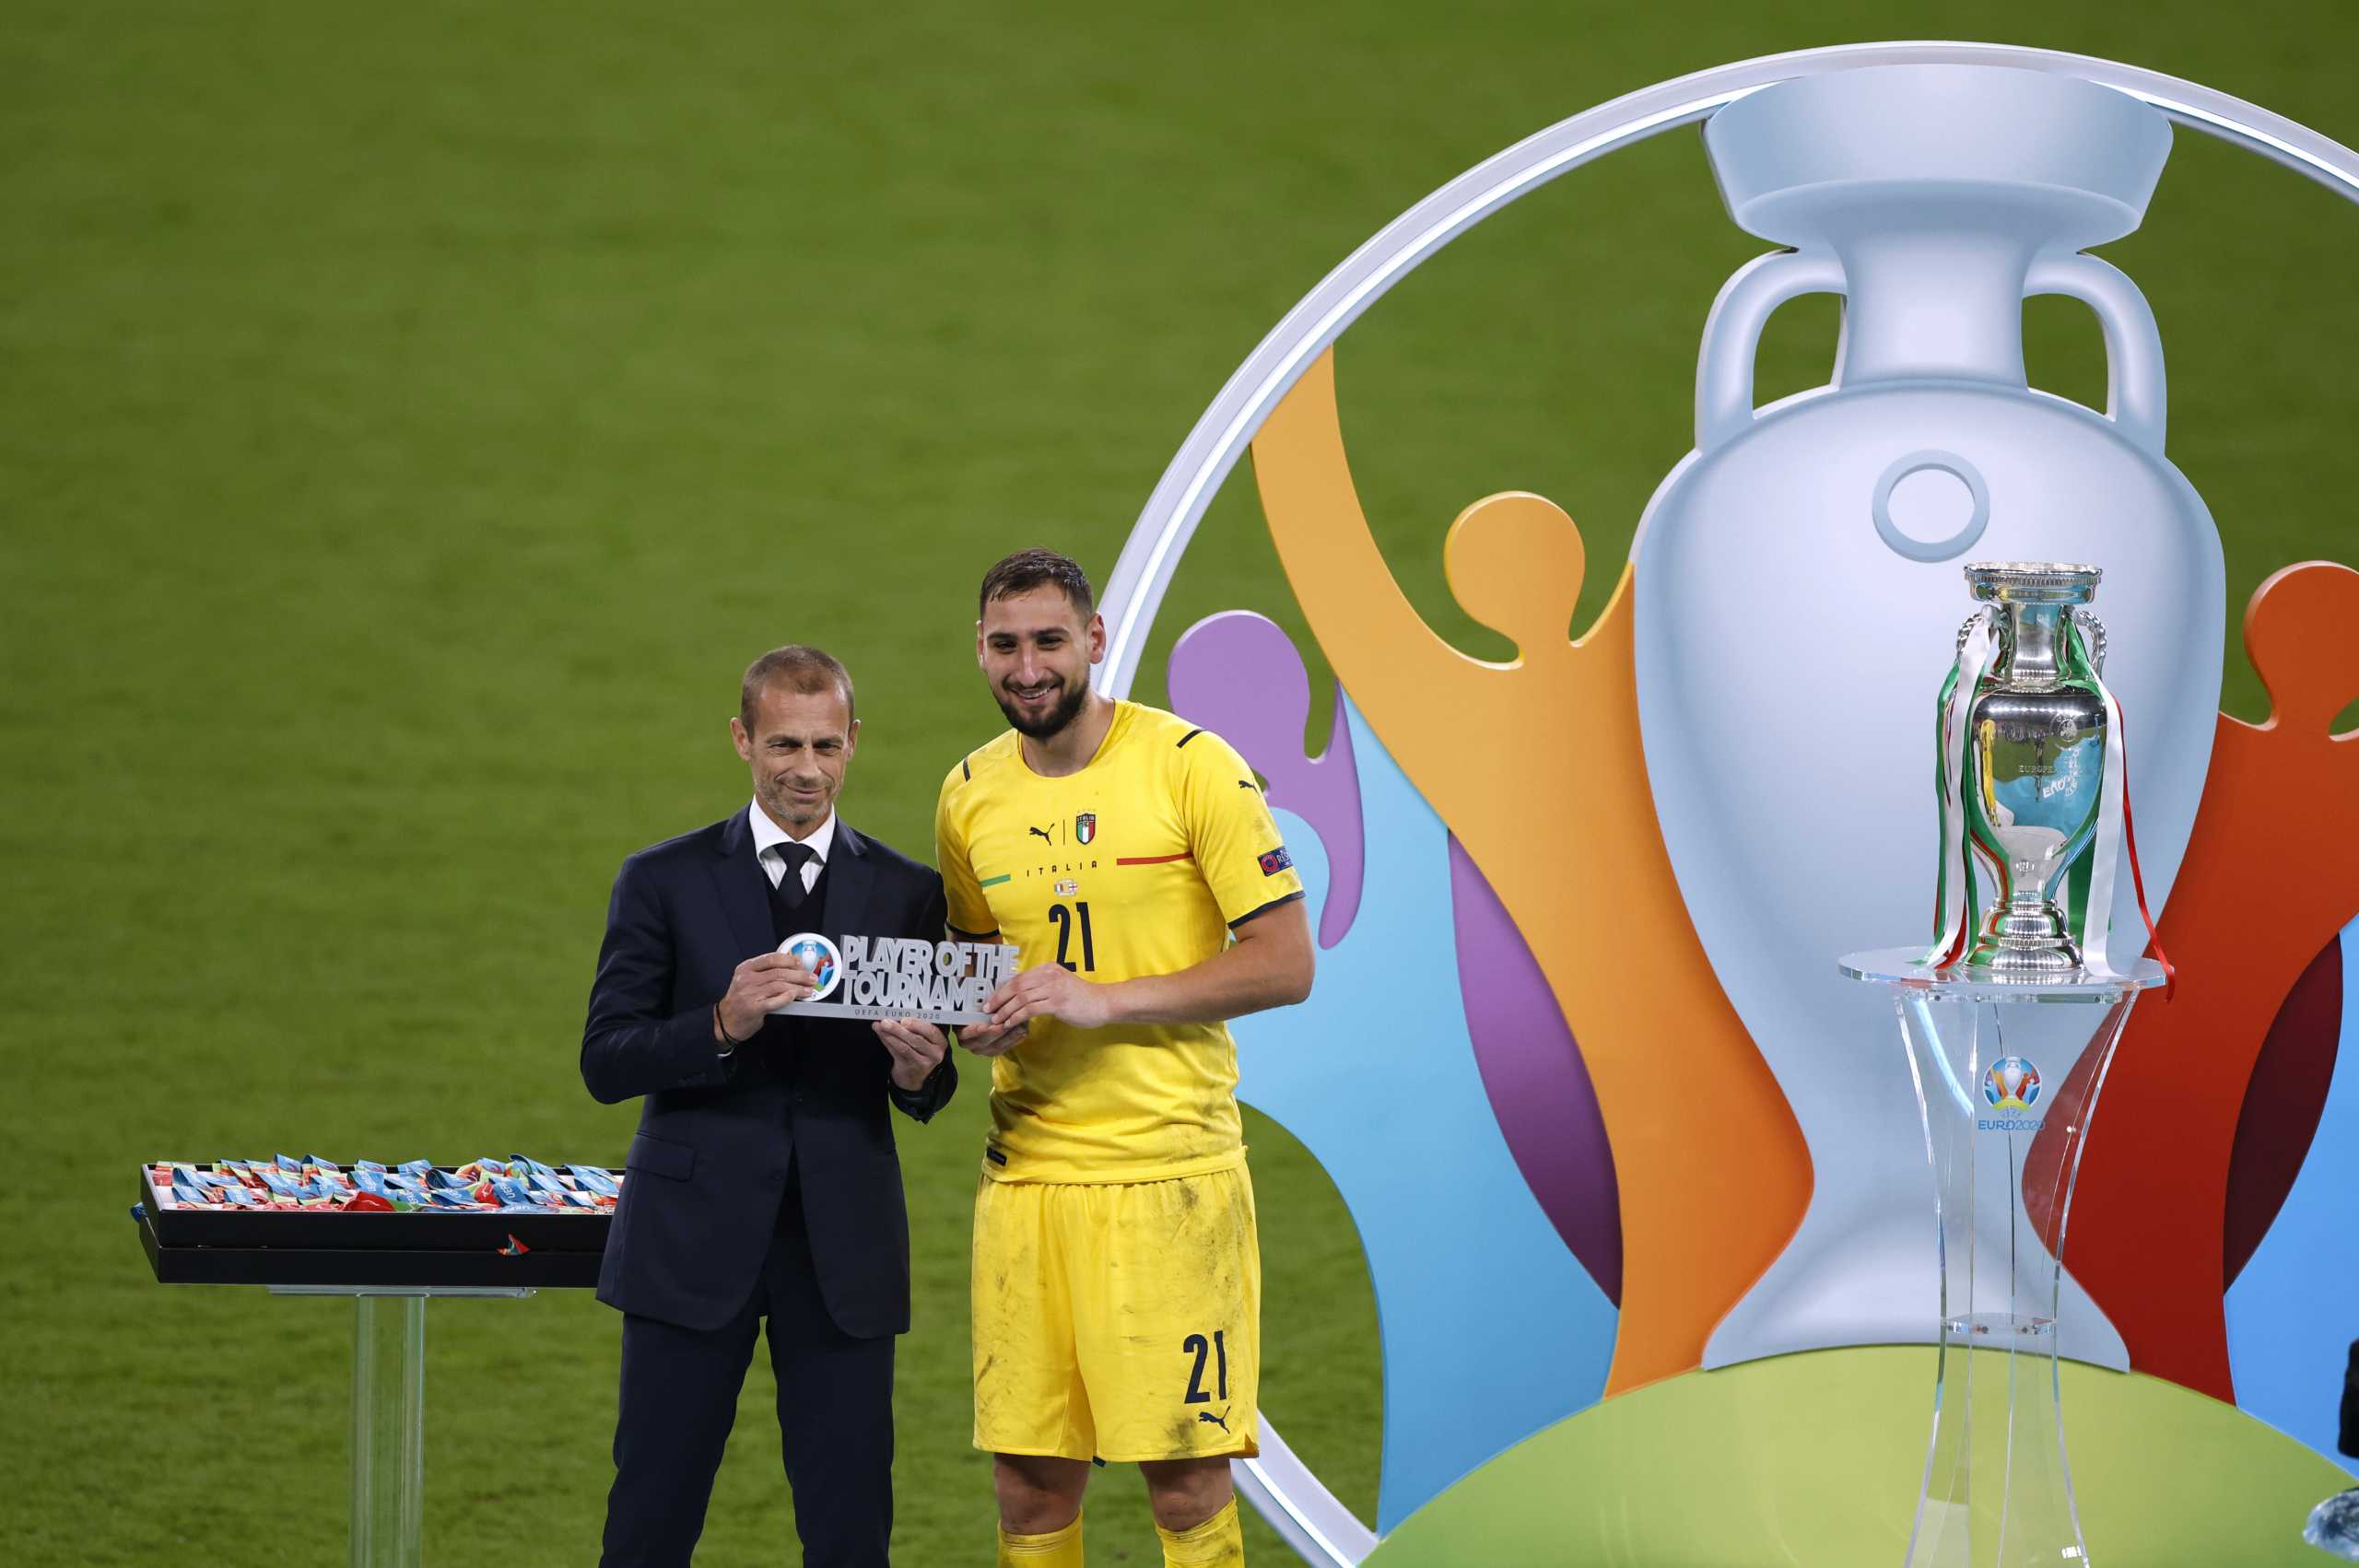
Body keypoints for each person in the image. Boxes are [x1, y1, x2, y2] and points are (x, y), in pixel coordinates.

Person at [935, 550, 1314, 1568]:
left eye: (1049, 640)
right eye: (1005, 644)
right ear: (979, 650)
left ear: (1094, 642)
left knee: (1187, 1481)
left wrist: (1105, 1000)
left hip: (1168, 1177)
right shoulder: (968, 795)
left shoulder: (1193, 764)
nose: (1028, 666)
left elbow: (1285, 963)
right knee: (1026, 1487)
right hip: (1026, 1183)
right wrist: (978, 1020)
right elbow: (981, 973)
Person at [582, 645, 957, 1568]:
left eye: (826, 745)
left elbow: (934, 1079)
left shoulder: (909, 891)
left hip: (843, 1249)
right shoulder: (660, 879)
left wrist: (918, 1074)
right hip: (689, 1240)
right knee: (651, 1516)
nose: (806, 769)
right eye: (784, 744)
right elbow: (606, 1058)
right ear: (742, 739)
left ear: (854, 743)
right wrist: (718, 1020)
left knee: (850, 1523)